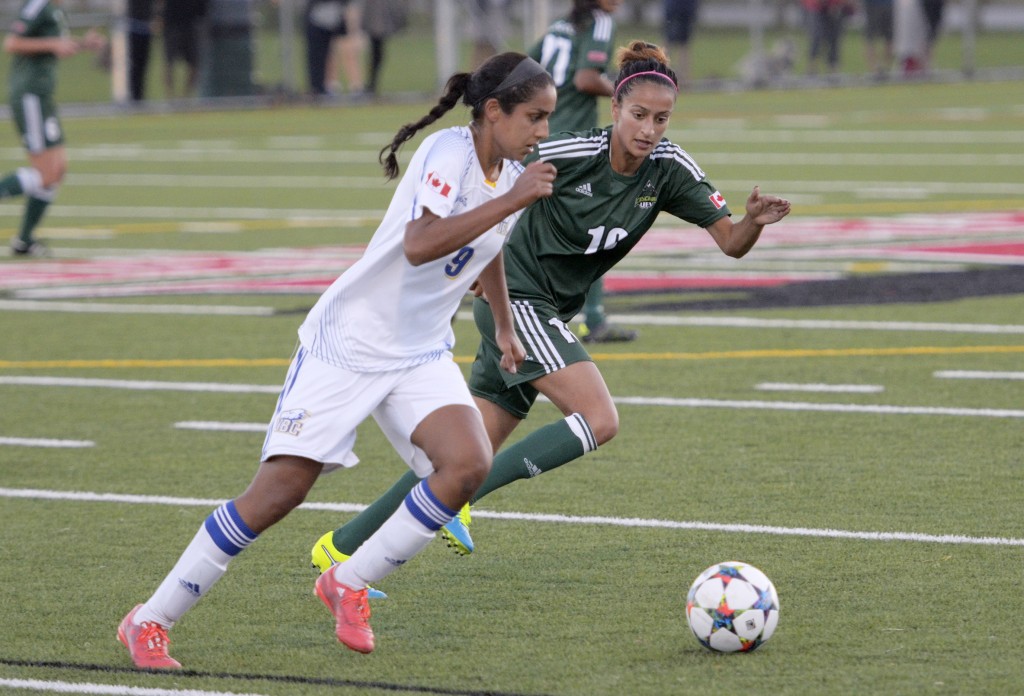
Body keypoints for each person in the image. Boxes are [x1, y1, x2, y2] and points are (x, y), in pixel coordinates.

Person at [116, 53, 556, 666]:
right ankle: (150, 620)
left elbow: (488, 249)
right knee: (277, 494)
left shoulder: (510, 171)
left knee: (467, 465)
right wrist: (513, 202)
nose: (543, 132)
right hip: (348, 343)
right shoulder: (447, 154)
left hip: (419, 349)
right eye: (534, 117)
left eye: (547, 119)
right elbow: (421, 244)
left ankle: (347, 581)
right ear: (491, 111)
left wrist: (505, 327)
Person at [310, 41, 791, 575]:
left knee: (456, 459)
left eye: (661, 118)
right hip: (517, 304)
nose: (649, 129)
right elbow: (489, 184)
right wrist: (473, 265)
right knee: (598, 419)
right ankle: (456, 500)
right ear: (615, 110)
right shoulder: (564, 153)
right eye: (638, 115)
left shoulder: (669, 169)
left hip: (543, 315)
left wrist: (752, 222)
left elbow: (730, 241)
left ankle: (341, 545)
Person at [529, 0, 638, 344]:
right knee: (595, 223)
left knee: (527, 229)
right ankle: (591, 319)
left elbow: (524, 70)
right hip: (572, 143)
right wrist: (629, 94)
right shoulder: (600, 22)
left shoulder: (560, 27)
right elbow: (586, 77)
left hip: (538, 139)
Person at [2, 0, 105, 257]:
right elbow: (12, 43)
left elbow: (53, 46)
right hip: (30, 94)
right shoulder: (38, 5)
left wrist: (82, 44)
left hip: (43, 97)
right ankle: (24, 241)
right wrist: (53, 44)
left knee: (57, 170)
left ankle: (24, 241)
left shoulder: (56, 9)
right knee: (46, 173)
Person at [361, 0, 407, 95]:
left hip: (378, 30)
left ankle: (371, 85)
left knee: (378, 56)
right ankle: (371, 85)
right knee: (376, 56)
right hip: (376, 31)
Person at [162, 0, 206, 98]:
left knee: (194, 63)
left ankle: (186, 98)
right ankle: (170, 98)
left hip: (192, 22)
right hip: (172, 23)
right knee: (169, 63)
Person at [802, 0, 854, 77]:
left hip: (834, 7)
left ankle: (833, 69)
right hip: (816, 8)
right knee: (816, 37)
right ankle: (812, 67)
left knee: (834, 38)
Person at [664, 0, 700, 88]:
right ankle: (662, 73)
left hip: (686, 6)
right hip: (676, 6)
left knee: (683, 43)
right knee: (670, 41)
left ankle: (684, 79)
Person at [125, 0, 154, 102]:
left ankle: (140, 96)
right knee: (134, 65)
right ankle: (134, 96)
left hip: (146, 29)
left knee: (143, 64)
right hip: (134, 28)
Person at [863, 0, 894, 79]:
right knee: (871, 38)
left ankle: (883, 69)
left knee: (888, 38)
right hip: (874, 4)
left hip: (886, 4)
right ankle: (876, 70)